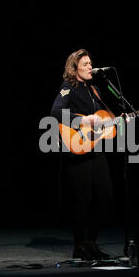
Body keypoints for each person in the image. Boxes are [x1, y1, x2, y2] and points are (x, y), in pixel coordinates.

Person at [51, 49, 115, 261]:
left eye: (91, 63)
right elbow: (56, 112)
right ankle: (79, 246)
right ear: (75, 68)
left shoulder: (95, 89)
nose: (90, 67)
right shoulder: (69, 87)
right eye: (86, 64)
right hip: (77, 149)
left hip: (95, 149)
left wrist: (121, 122)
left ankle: (91, 243)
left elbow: (103, 121)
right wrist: (84, 121)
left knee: (105, 197)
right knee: (82, 200)